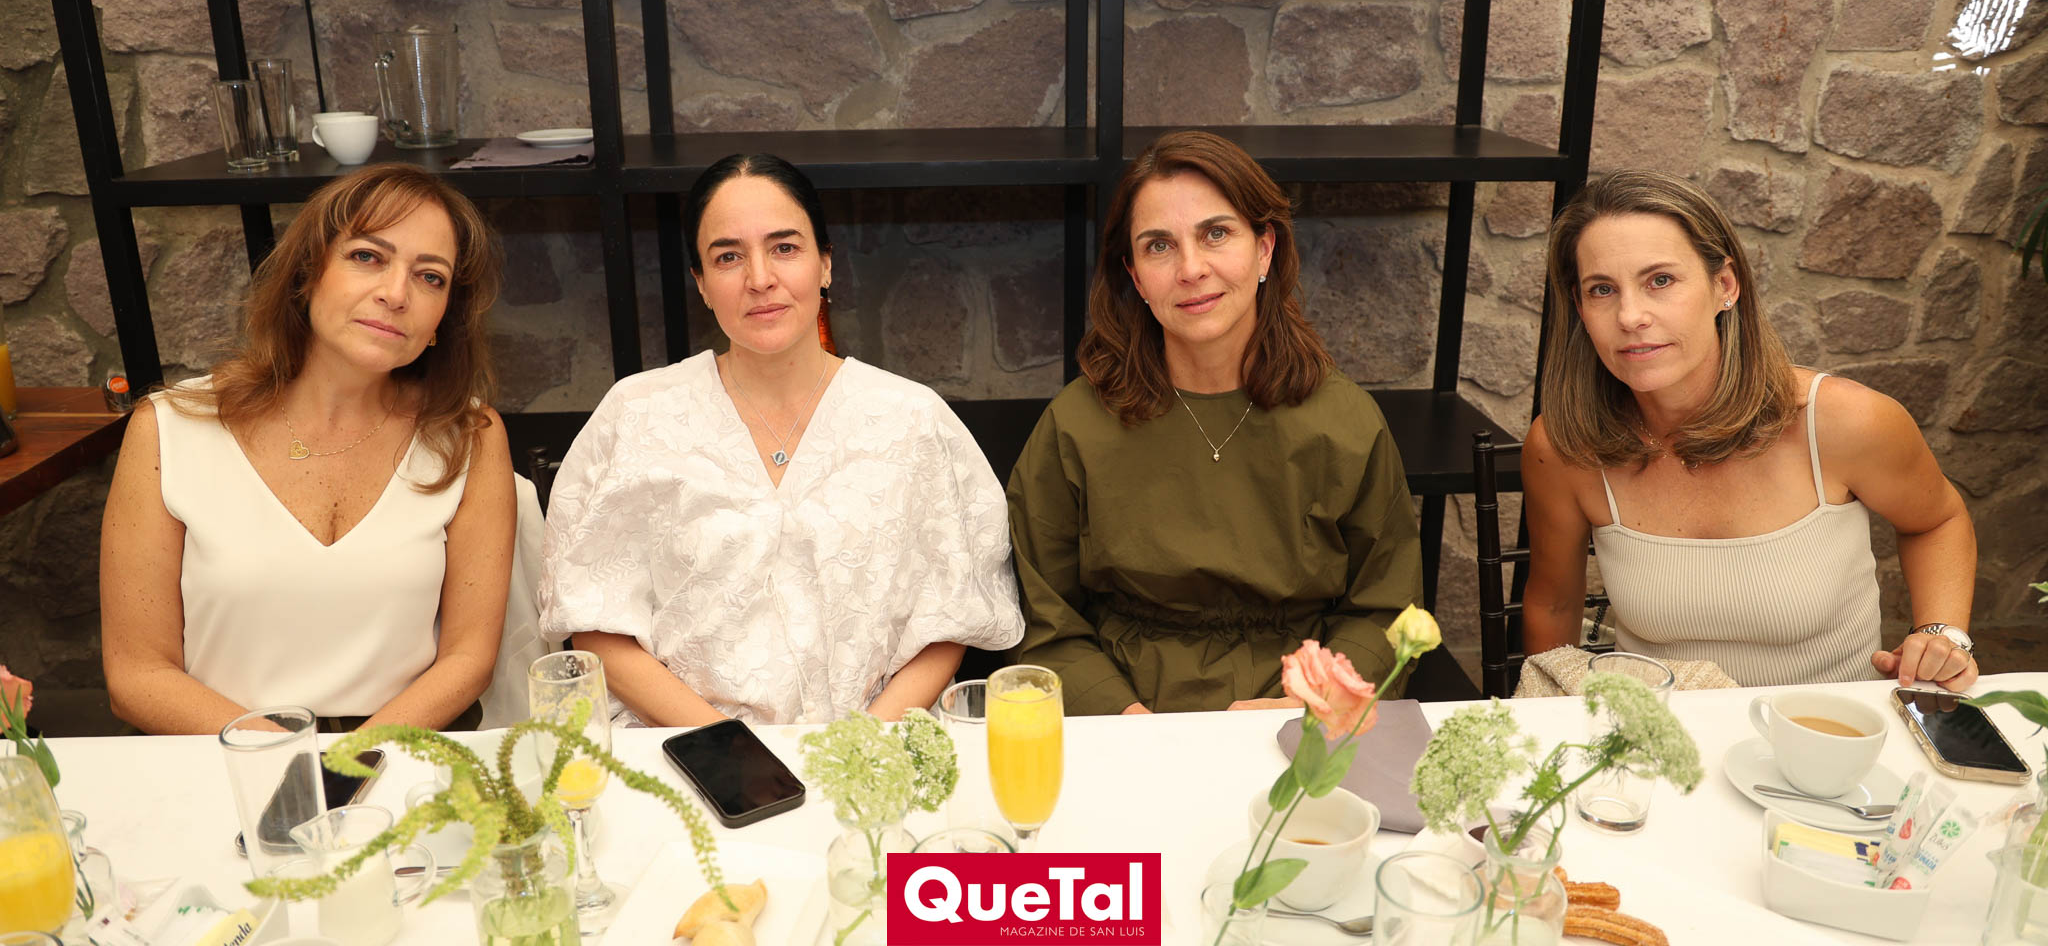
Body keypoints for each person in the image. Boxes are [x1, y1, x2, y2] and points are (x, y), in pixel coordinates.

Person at [537, 153, 1024, 726]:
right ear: (701, 283)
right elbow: (593, 623)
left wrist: (861, 746)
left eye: (785, 248)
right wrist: (726, 750)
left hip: (874, 747)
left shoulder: (912, 420)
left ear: (825, 264)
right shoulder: (637, 414)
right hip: (681, 749)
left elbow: (952, 616)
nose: (760, 278)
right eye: (728, 256)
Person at [1006, 130, 1423, 716]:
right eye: (1159, 246)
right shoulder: (1074, 425)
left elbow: (1383, 610)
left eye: (1216, 234)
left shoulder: (1346, 422)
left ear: (1265, 250)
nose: (1191, 269)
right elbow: (1043, 616)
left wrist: (1308, 704)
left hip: (1299, 710)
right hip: (1123, 715)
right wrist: (1126, 722)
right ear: (1134, 275)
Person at [1520, 170, 1979, 690]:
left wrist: (1941, 635)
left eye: (1660, 281)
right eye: (1602, 289)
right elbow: (1553, 604)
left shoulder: (1842, 421)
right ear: (1580, 308)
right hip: (1661, 730)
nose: (1630, 316)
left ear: (1725, 285)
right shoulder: (1564, 447)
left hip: (1829, 728)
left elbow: (1937, 521)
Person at [101, 164, 516, 734]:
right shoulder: (168, 428)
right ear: (307, 273)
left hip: (401, 751)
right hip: (218, 752)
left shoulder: (470, 435)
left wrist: (352, 765)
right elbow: (137, 675)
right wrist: (291, 761)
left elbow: (469, 660)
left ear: (445, 318)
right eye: (367, 256)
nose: (396, 294)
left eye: (430, 277)